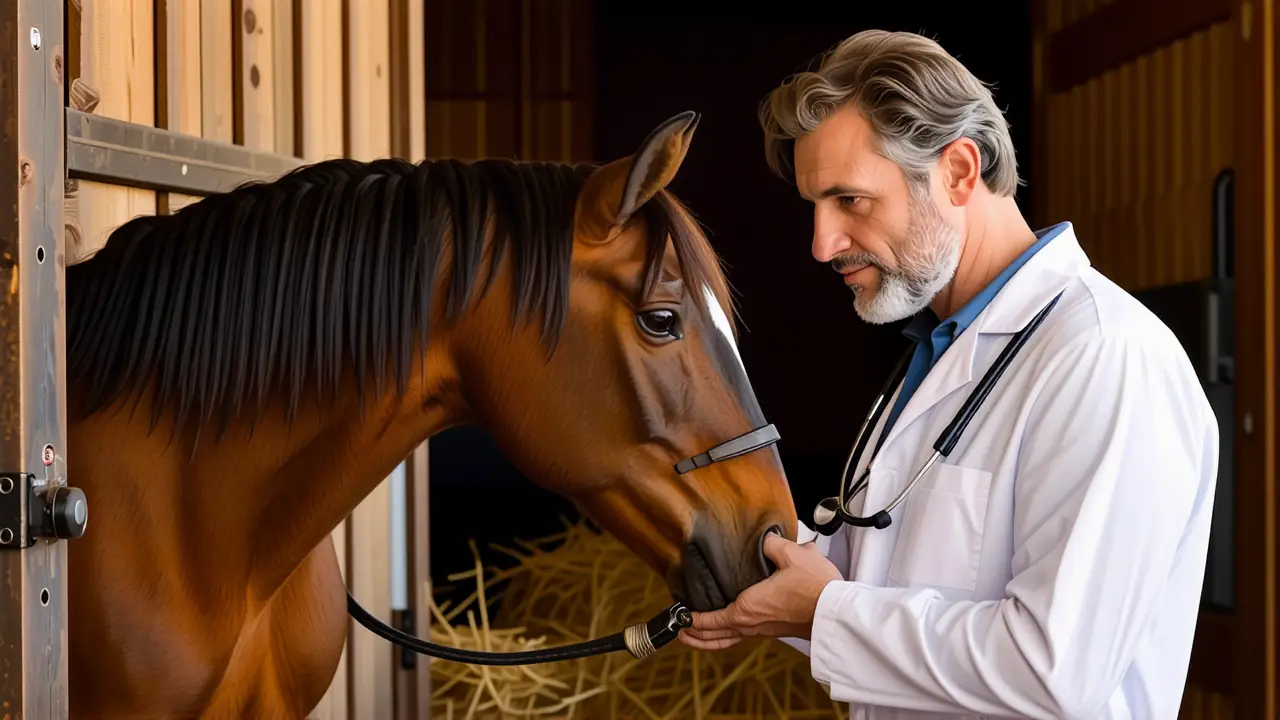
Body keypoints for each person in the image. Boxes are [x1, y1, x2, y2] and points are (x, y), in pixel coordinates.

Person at [679, 29, 1220, 720]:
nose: (821, 243)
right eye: (815, 206)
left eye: (850, 200)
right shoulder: (940, 351)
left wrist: (825, 613)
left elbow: (1052, 671)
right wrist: (730, 553)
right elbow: (866, 580)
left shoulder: (1105, 355)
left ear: (959, 172)